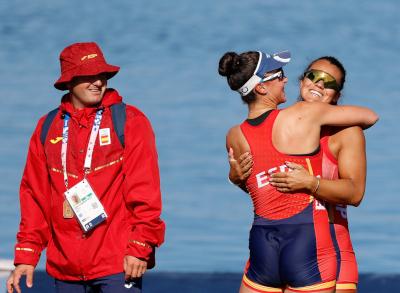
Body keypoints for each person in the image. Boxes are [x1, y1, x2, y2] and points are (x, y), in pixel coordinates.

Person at [6, 42, 165, 293]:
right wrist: (27, 254)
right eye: (87, 76)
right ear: (68, 82)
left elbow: (145, 193)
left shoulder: (131, 122)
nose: (97, 82)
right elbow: (34, 197)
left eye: (100, 75)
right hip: (65, 266)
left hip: (117, 263)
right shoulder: (47, 127)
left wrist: (140, 246)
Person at [218, 50, 378, 293]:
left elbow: (355, 193)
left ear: (338, 94)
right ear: (302, 80)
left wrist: (310, 183)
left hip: (333, 248)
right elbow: (268, 185)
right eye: (313, 76)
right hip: (285, 242)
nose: (319, 84)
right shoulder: (289, 122)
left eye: (330, 82)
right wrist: (236, 178)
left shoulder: (347, 132)